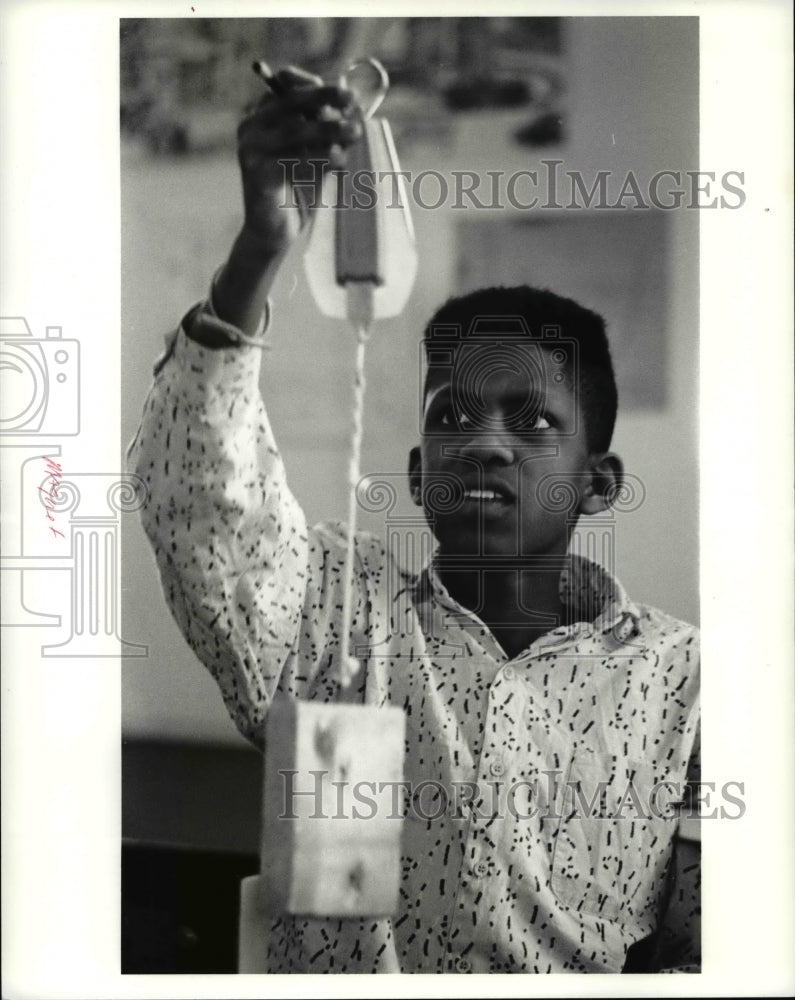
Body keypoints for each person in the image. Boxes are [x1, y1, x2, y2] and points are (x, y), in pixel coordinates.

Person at [128, 66, 700, 974]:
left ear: (598, 482)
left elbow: (707, 953)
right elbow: (198, 503)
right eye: (451, 416)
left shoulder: (683, 683)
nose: (483, 445)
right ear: (416, 472)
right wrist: (261, 246)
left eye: (532, 420)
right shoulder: (333, 621)